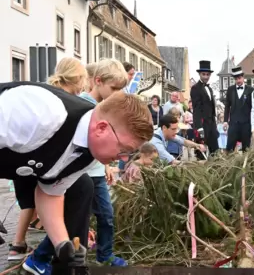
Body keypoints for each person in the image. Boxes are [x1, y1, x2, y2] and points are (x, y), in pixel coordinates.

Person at [0, 82, 152, 273]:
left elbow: (50, 193)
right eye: (124, 150)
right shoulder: (43, 112)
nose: (122, 159)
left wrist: (62, 244)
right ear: (102, 128)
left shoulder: (87, 154)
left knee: (82, 187)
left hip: (18, 165)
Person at [32, 59, 129, 268]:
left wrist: (106, 167)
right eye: (113, 88)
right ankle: (41, 257)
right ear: (98, 81)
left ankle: (105, 255)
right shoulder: (82, 106)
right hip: (77, 175)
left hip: (95, 173)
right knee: (72, 220)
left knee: (106, 217)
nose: (116, 94)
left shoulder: (105, 107)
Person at [9, 58, 88, 262]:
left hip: (30, 162)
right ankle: (26, 248)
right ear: (78, 78)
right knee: (34, 200)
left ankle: (19, 246)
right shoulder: (60, 106)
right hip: (35, 163)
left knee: (32, 202)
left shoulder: (56, 96)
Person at [190, 60, 219, 157]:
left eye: (207, 74)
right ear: (199, 74)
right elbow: (196, 109)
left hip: (211, 124)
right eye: (203, 74)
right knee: (201, 152)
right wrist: (199, 127)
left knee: (215, 150)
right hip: (202, 124)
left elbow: (211, 108)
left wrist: (215, 122)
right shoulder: (195, 88)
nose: (206, 76)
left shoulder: (210, 89)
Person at [223, 66, 254, 152]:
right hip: (233, 124)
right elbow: (227, 106)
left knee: (246, 149)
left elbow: (253, 108)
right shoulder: (230, 89)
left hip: (246, 124)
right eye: (236, 79)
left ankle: (245, 165)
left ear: (243, 77)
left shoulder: (251, 90)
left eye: (239, 78)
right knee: (229, 148)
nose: (238, 81)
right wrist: (225, 121)